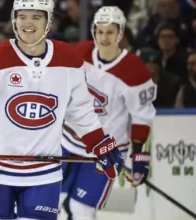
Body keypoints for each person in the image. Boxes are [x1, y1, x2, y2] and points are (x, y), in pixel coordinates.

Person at [0, 1, 124, 220]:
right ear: (14, 20)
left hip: (43, 174)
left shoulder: (69, 61)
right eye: (22, 16)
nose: (28, 23)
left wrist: (98, 142)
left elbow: (80, 110)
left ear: (49, 21)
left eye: (36, 17)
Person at [60, 6, 156, 220]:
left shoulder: (135, 71)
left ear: (120, 34)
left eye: (110, 32)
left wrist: (139, 156)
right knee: (51, 203)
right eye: (100, 31)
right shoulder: (81, 53)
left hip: (105, 151)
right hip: (67, 142)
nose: (104, 37)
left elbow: (141, 117)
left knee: (81, 208)